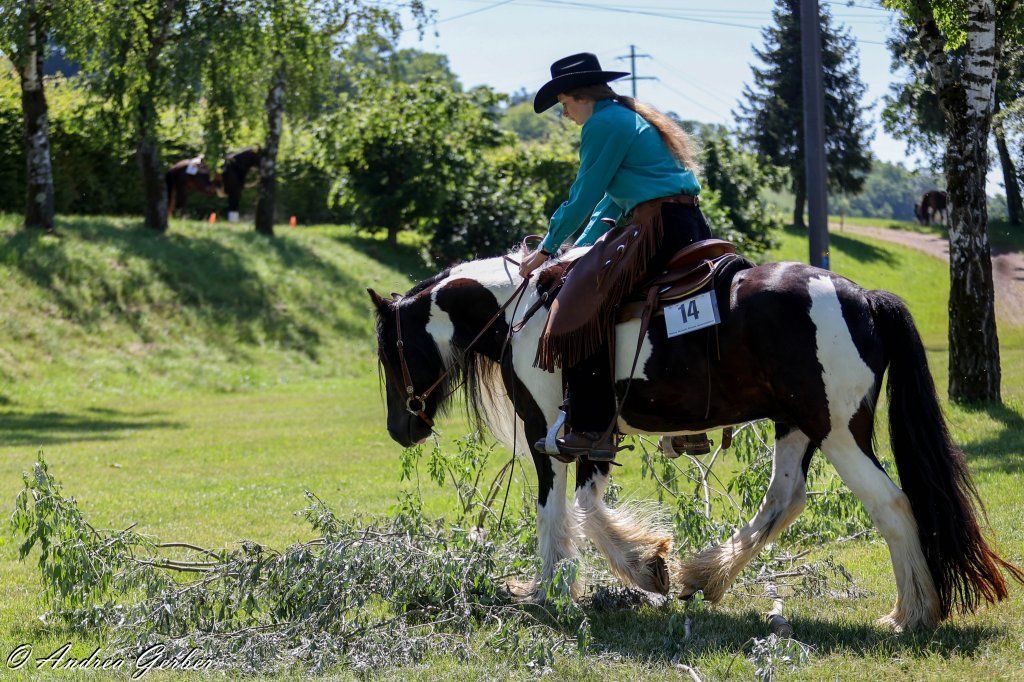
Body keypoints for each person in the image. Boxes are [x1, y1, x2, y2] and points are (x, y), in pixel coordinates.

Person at [521, 52, 712, 463]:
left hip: (657, 226)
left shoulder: (603, 124)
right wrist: (580, 247)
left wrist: (549, 248)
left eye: (565, 106)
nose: (566, 116)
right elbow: (609, 199)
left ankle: (590, 426)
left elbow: (585, 191)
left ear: (577, 95)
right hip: (687, 222)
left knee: (579, 306)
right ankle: (688, 417)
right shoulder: (626, 117)